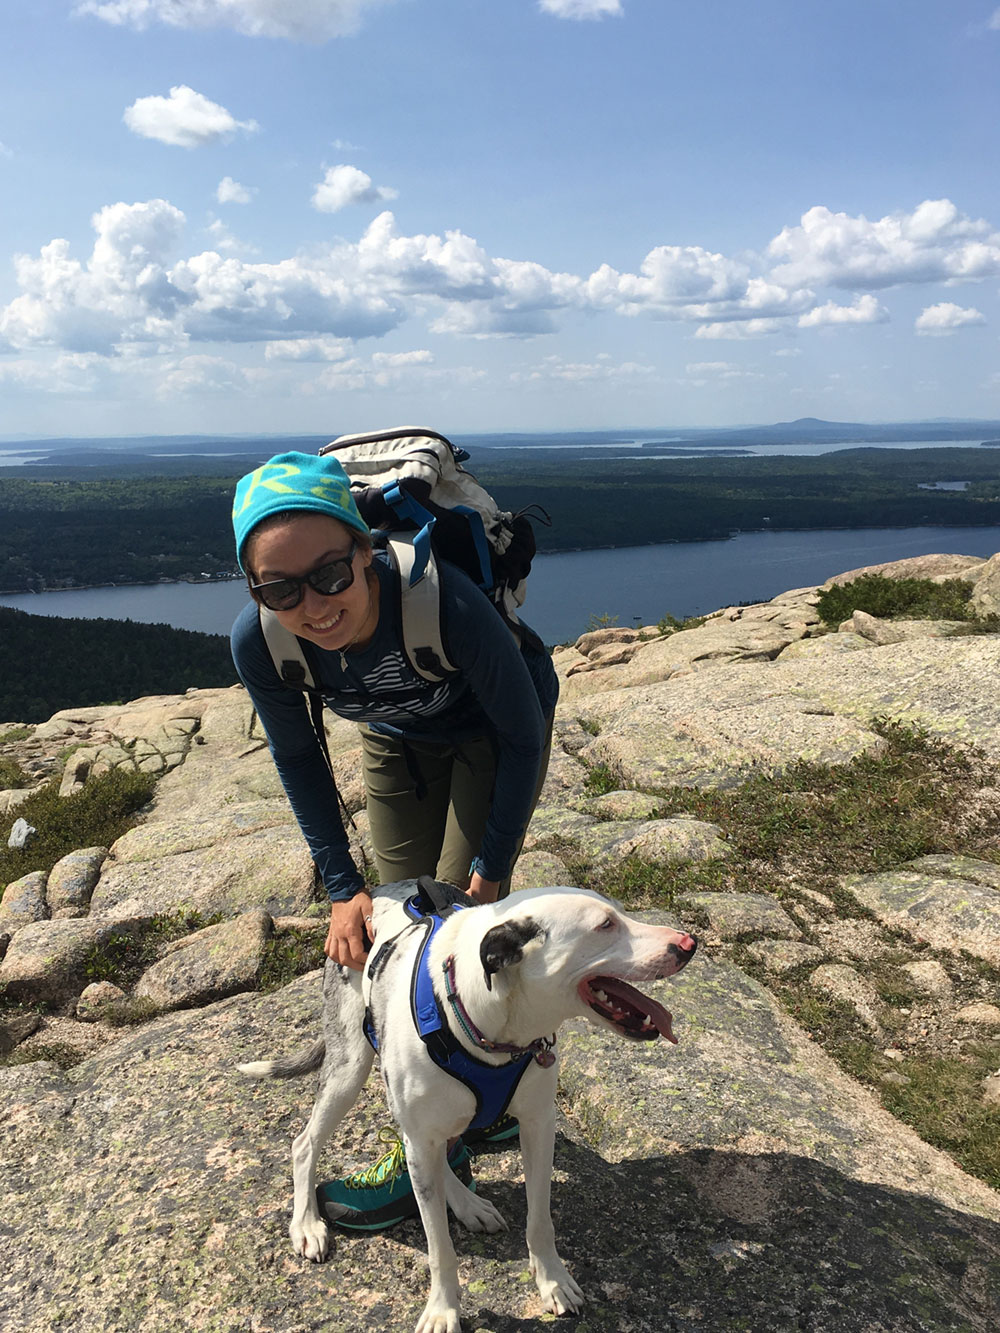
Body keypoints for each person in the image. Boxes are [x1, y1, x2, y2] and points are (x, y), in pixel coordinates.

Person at [229, 449, 558, 1228]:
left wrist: (490, 871)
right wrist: (343, 889)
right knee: (400, 946)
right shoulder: (259, 642)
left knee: (457, 928)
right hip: (395, 739)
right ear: (255, 590)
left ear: (365, 550)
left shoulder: (439, 602)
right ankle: (451, 1125)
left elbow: (522, 732)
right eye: (279, 587)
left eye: (330, 573)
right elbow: (298, 756)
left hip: (492, 734)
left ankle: (460, 1133)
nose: (311, 603)